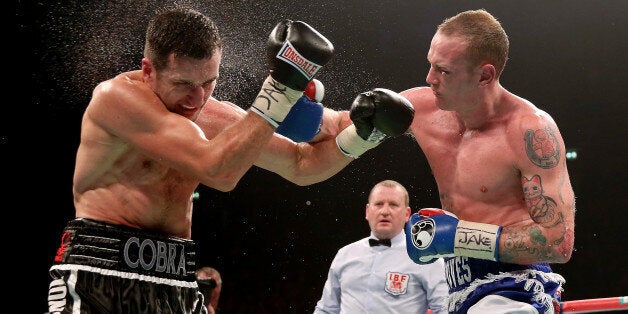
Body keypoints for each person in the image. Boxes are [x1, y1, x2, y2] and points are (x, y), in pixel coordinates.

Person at [46, 6, 415, 314]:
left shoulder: (212, 113)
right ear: (148, 70)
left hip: (175, 277)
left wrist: (363, 136)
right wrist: (280, 90)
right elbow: (217, 170)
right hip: (100, 270)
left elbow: (303, 165)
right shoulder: (116, 99)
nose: (197, 98)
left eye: (209, 82)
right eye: (182, 84)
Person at [398, 9, 576, 314]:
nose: (430, 78)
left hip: (515, 288)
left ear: (485, 75)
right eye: (431, 65)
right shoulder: (420, 108)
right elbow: (341, 129)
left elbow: (559, 242)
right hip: (456, 288)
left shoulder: (530, 131)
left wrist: (457, 238)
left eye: (443, 70)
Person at [314, 180, 449, 314]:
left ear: (407, 214)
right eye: (378, 204)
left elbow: (444, 309)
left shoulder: (425, 257)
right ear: (367, 211)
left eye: (393, 205)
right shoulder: (345, 254)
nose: (385, 211)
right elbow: (326, 309)